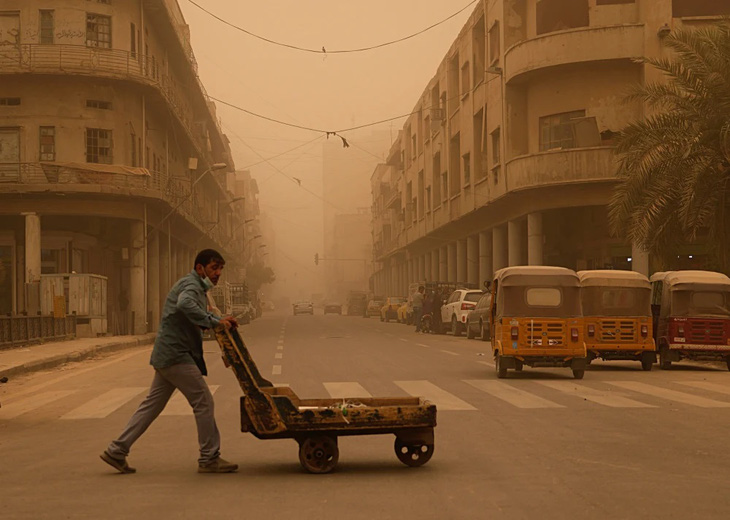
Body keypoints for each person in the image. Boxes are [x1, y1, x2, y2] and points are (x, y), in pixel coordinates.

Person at [101, 249, 239, 474]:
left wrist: (217, 319)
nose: (218, 273)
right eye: (214, 268)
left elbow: (194, 312)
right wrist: (214, 322)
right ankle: (209, 457)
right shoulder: (192, 286)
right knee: (204, 401)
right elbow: (185, 305)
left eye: (220, 268)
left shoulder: (196, 287)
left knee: (151, 406)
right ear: (199, 268)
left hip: (166, 355)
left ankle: (117, 450)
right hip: (176, 355)